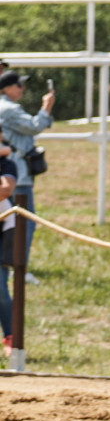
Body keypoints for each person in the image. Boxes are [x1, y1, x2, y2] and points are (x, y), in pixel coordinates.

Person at [0, 70, 54, 284]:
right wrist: (46, 107)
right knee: (24, 222)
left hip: (14, 171)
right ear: (7, 88)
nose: (22, 89)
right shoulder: (9, 109)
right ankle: (18, 265)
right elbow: (35, 126)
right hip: (17, 174)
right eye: (19, 85)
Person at [0, 133, 17, 357]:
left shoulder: (7, 162)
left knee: (0, 289)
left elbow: (6, 190)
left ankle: (10, 336)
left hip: (2, 234)